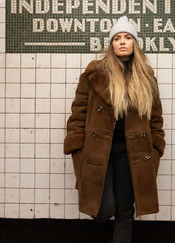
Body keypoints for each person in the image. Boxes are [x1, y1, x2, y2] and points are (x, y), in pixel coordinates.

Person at [63, 16, 166, 243]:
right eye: (117, 38)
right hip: (98, 149)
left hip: (132, 152)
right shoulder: (94, 75)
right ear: (111, 44)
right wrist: (76, 147)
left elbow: (155, 119)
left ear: (134, 44)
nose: (122, 42)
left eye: (127, 37)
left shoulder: (146, 78)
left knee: (125, 211)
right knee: (103, 209)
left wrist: (156, 146)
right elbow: (78, 113)